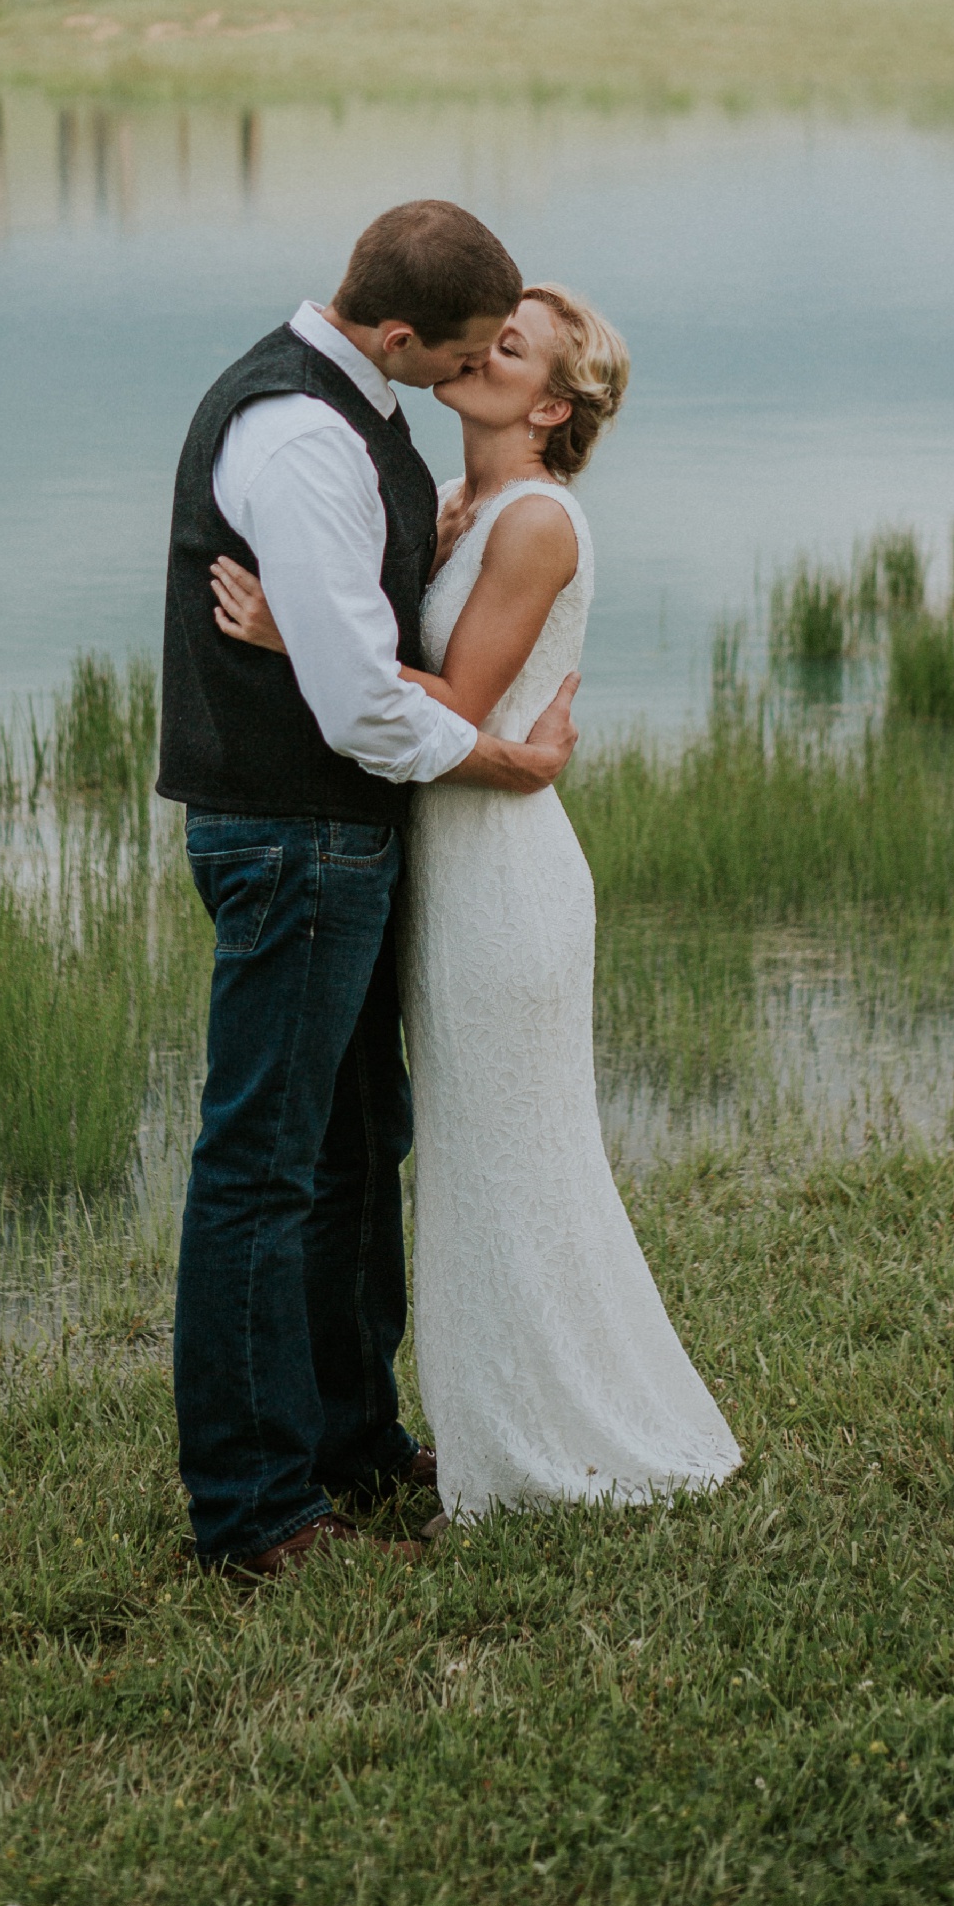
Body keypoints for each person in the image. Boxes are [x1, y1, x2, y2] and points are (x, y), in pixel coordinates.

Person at [213, 283, 740, 1529]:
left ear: (551, 404)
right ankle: (489, 1428)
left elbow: (451, 710)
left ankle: (551, 1445)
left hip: (501, 882)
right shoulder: (465, 508)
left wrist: (303, 638)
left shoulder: (536, 525)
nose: (472, 349)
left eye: (506, 347)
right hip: (444, 870)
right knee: (462, 1159)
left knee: (510, 1158)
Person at [158, 200, 582, 1583]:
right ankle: (257, 1512)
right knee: (264, 1168)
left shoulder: (358, 418)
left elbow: (357, 616)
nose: (470, 372)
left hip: (333, 843)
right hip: (294, 836)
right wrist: (504, 754)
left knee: (351, 1151)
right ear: (397, 333)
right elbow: (354, 706)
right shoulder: (300, 435)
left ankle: (353, 1440)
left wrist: (437, 528)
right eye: (459, 353)